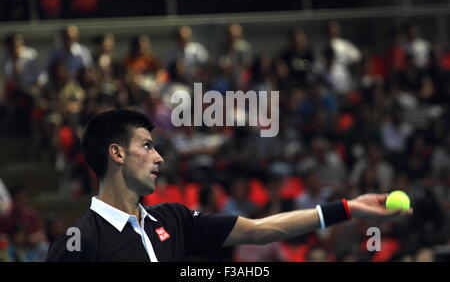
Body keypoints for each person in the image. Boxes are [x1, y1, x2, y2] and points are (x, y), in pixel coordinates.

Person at [46, 109, 412, 262]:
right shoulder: (81, 243)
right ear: (117, 154)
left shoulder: (172, 220)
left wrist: (348, 208)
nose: (159, 158)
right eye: (147, 146)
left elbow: (260, 231)